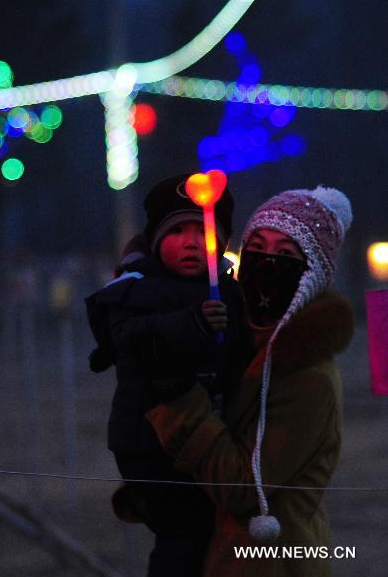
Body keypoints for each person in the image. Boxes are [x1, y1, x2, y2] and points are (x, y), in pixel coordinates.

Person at [146, 185, 355, 576]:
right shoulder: (245, 346)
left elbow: (243, 487)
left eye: (286, 255)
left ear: (311, 274)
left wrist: (179, 400)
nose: (266, 262)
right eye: (256, 246)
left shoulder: (308, 376)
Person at [85, 173, 248, 576]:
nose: (192, 242)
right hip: (153, 447)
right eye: (178, 231)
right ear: (157, 240)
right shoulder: (137, 289)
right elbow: (132, 339)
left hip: (212, 439)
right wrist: (191, 324)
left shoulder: (229, 292)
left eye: (203, 231)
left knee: (218, 540)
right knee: (182, 539)